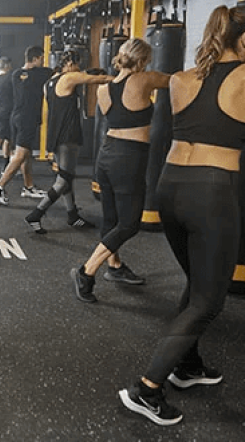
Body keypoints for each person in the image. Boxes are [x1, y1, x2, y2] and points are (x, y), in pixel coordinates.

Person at [117, 5, 245, 426]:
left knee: (197, 282)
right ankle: (147, 388)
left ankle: (187, 366)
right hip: (211, 192)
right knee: (209, 300)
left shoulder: (180, 79)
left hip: (170, 187)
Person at [70, 38, 170, 301]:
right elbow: (174, 81)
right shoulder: (144, 79)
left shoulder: (104, 89)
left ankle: (114, 266)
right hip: (128, 158)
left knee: (111, 220)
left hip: (106, 156)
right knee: (129, 224)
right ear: (143, 60)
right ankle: (86, 271)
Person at [24, 52, 112, 233]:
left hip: (55, 134)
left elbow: (84, 75)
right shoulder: (69, 78)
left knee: (66, 176)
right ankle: (36, 214)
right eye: (77, 64)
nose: (79, 69)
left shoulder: (49, 82)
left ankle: (72, 215)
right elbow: (99, 79)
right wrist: (125, 78)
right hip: (67, 135)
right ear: (70, 63)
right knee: (63, 180)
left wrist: (90, 71)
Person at [0, 46, 51, 205]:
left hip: (16, 117)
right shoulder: (41, 74)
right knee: (21, 155)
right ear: (35, 58)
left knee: (25, 153)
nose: (43, 61)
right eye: (42, 58)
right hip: (27, 119)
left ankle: (28, 187)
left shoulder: (16, 74)